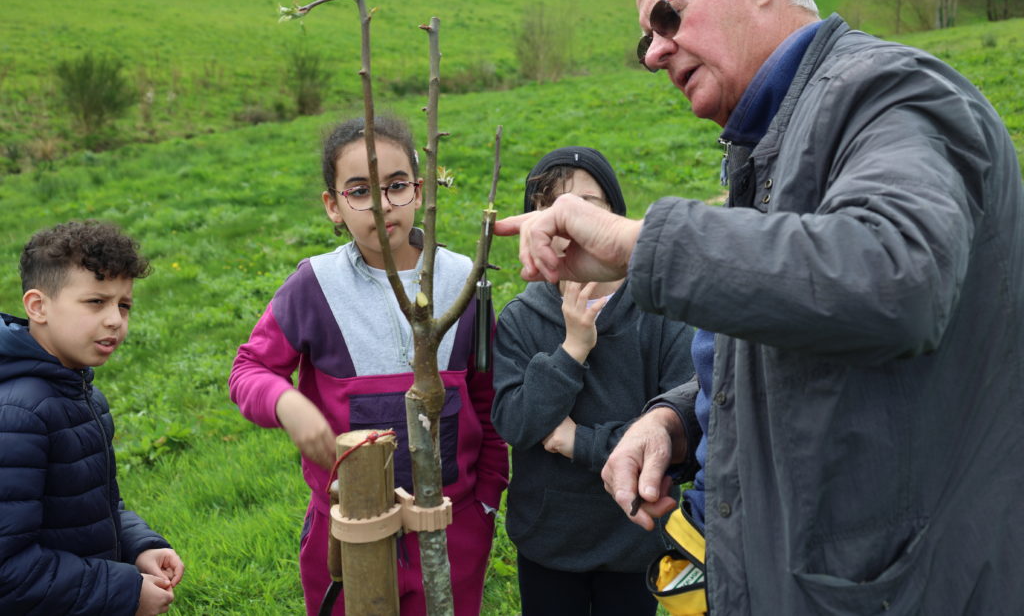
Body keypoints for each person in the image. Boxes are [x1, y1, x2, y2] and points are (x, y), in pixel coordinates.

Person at [494, 0, 1024, 614]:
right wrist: (679, 419)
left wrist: (642, 245)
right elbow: (799, 328)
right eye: (644, 41)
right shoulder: (778, 137)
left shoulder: (886, 93)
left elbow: (896, 279)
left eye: (665, 17)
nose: (654, 53)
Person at [228, 115, 509, 616]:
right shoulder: (315, 286)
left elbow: (488, 397)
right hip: (346, 527)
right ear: (333, 206)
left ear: (419, 191)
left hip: (452, 523)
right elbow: (249, 369)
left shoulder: (463, 281)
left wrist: (485, 497)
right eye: (359, 191)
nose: (382, 204)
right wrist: (287, 403)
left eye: (396, 186)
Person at [491, 146, 696, 616]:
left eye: (587, 206)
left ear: (613, 221)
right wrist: (572, 349)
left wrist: (576, 441)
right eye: (554, 210)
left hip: (633, 538)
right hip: (549, 540)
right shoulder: (523, 319)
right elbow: (517, 425)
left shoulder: (659, 317)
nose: (569, 223)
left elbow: (679, 432)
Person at [0, 220, 185, 616]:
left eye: (124, 305)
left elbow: (94, 504)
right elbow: (8, 570)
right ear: (38, 306)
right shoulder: (18, 414)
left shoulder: (79, 391)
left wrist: (141, 546)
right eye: (95, 302)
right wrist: (124, 591)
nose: (115, 320)